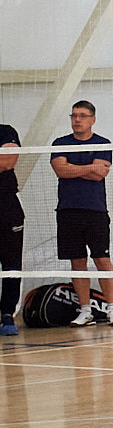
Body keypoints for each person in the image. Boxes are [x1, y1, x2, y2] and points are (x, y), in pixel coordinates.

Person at [52, 99, 113, 326]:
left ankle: (112, 309)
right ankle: (85, 310)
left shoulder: (103, 143)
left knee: (102, 259)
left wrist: (75, 169)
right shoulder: (60, 143)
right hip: (68, 211)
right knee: (77, 262)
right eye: (73, 115)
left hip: (95, 211)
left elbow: (100, 175)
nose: (77, 119)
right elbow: (61, 169)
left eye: (81, 115)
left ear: (92, 119)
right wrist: (90, 167)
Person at [0, 120, 22, 337]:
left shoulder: (6, 131)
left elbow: (7, 161)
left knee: (11, 265)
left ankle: (7, 314)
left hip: (7, 207)